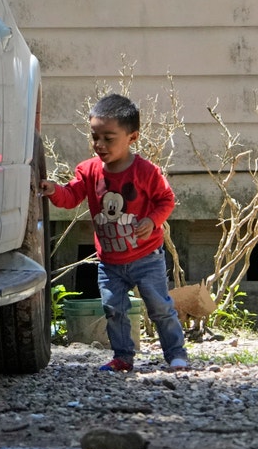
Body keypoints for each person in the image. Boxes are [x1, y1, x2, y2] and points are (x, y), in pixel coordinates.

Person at [41, 93, 188, 372]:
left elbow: (166, 200)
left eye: (109, 138)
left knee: (159, 307)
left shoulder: (146, 172)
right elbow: (71, 197)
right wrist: (54, 190)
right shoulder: (89, 170)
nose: (99, 145)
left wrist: (153, 221)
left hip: (147, 258)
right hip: (109, 262)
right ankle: (123, 357)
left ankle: (176, 353)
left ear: (132, 138)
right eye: (95, 137)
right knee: (113, 309)